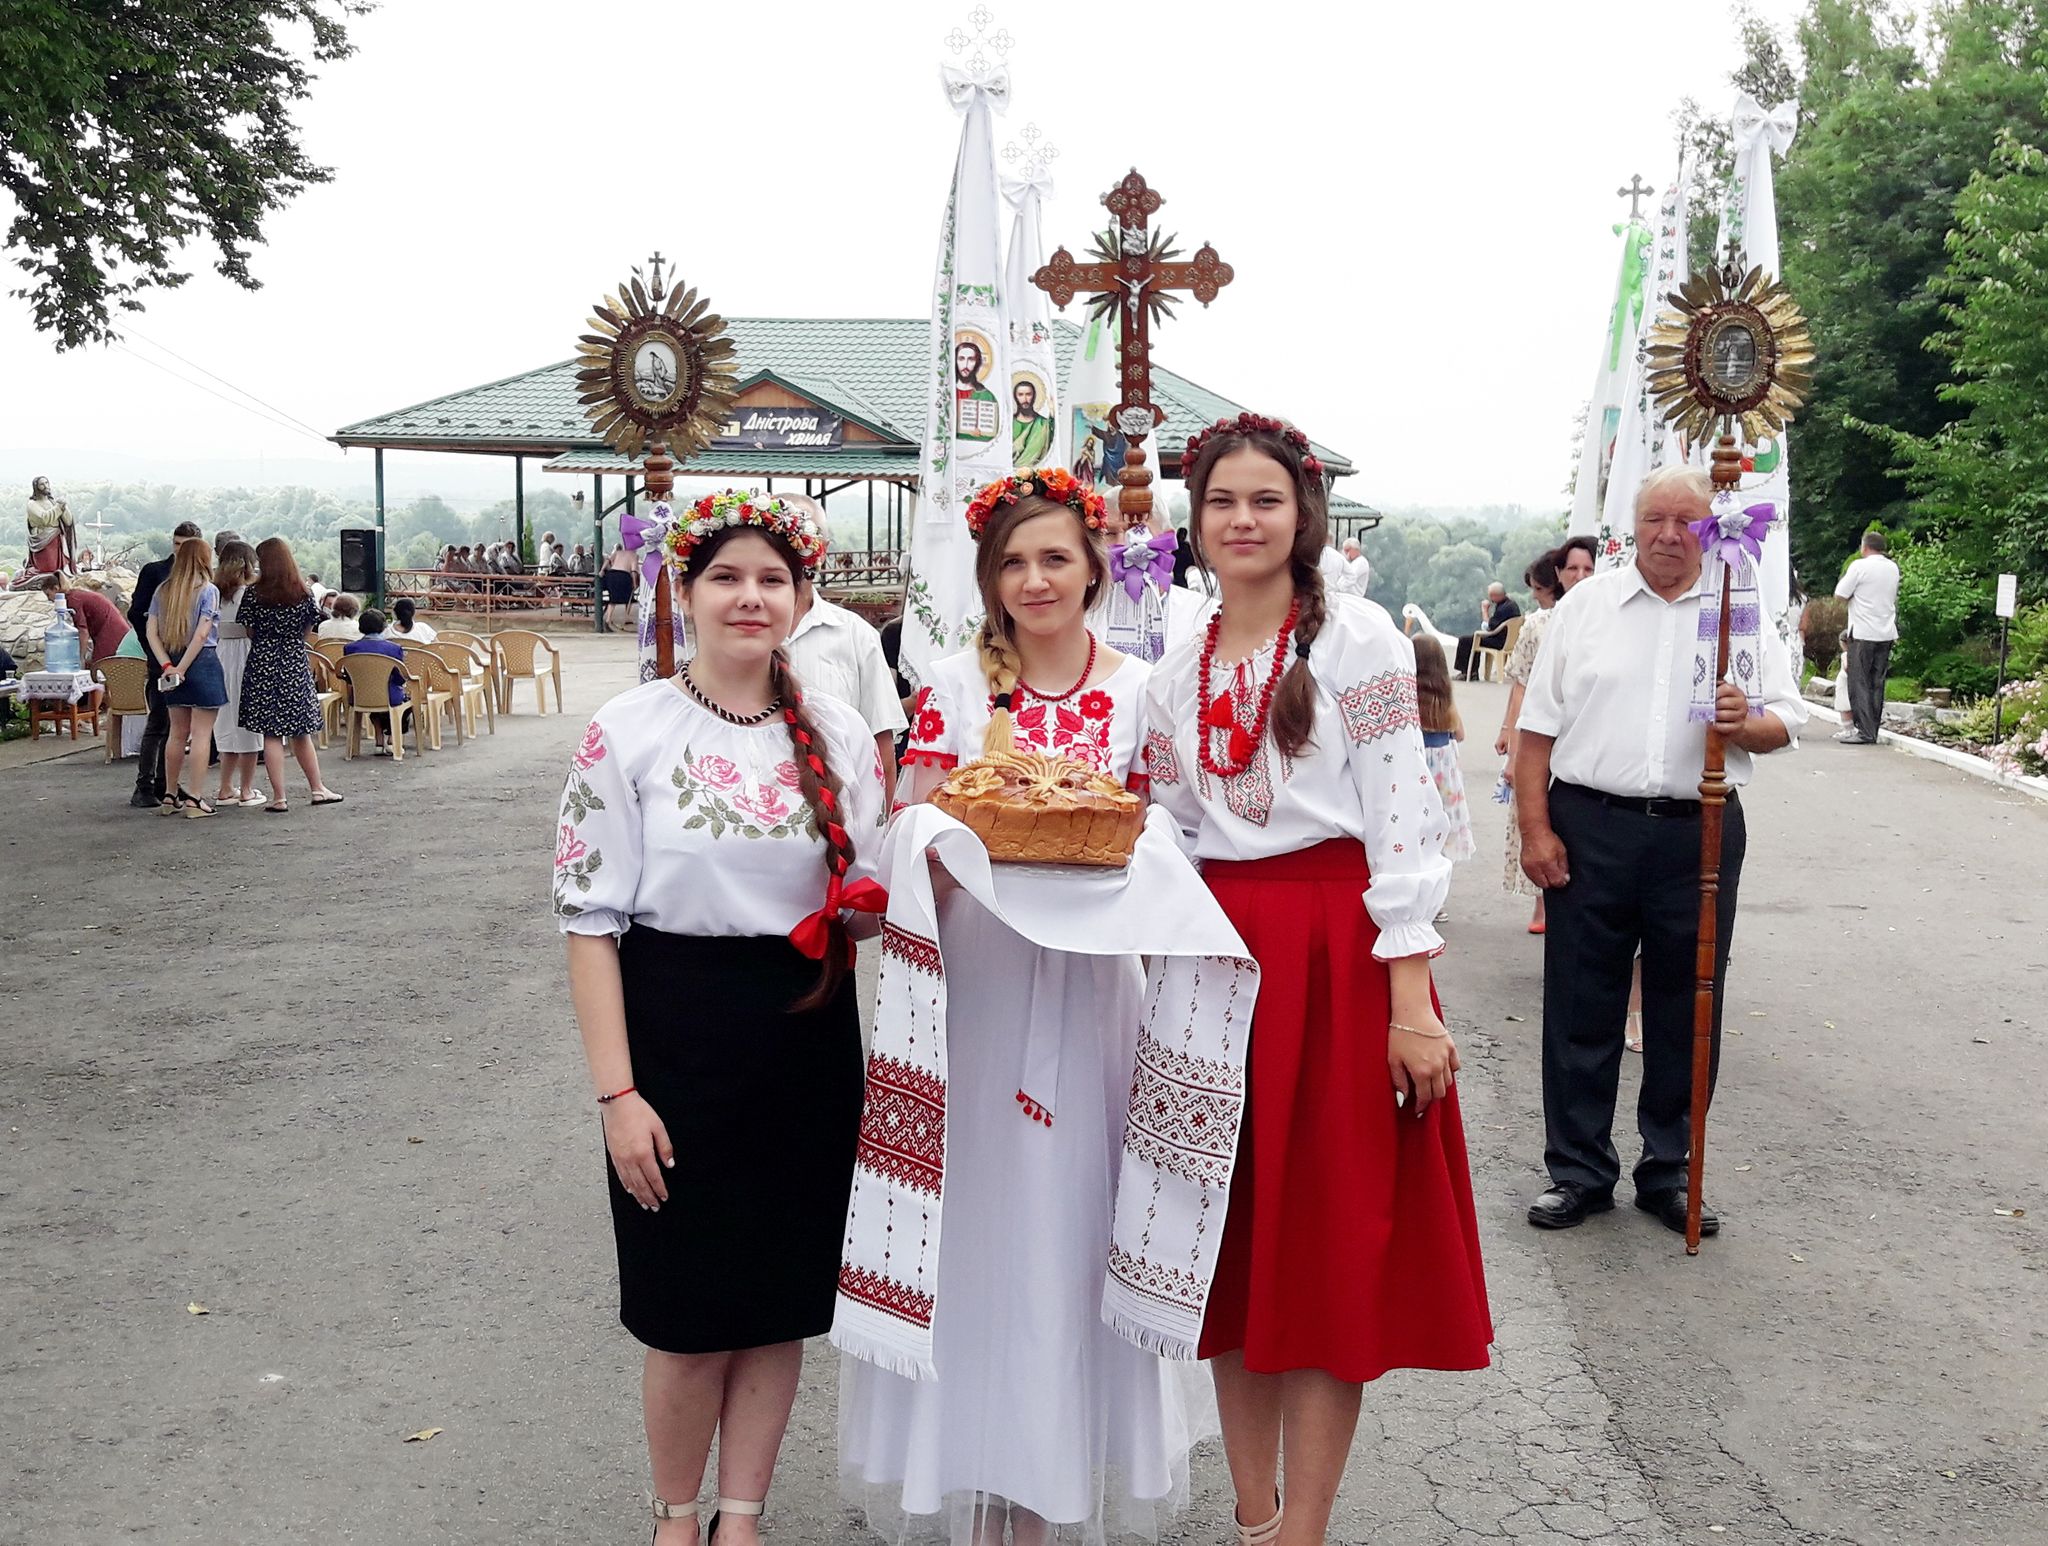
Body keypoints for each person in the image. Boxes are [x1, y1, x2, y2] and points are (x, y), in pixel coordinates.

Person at [841, 467, 1208, 1546]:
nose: (1035, 580)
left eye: (1055, 558)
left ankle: (1048, 1493)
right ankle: (973, 1481)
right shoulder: (956, 689)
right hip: (981, 989)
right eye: (1013, 562)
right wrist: (946, 847)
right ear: (988, 579)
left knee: (1069, 1227)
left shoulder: (1143, 693)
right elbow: (908, 837)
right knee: (981, 1227)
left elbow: (1176, 844)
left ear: (1095, 567)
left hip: (1095, 996)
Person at [1144, 414, 1490, 1546]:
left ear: (1303, 518)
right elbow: (1167, 830)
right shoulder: (1176, 664)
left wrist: (1409, 1001)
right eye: (1221, 501)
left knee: (1327, 1247)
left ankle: (1305, 1531)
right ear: (1194, 519)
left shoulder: (1358, 640)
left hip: (1337, 957)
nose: (1241, 520)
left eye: (1265, 500)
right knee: (1233, 1247)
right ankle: (1254, 1520)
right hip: (1215, 962)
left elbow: (1402, 820)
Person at [552, 490, 883, 1546]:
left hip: (806, 1036)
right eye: (727, 577)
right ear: (684, 591)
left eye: (772, 579)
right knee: (688, 1315)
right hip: (675, 1036)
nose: (751, 597)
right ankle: (675, 1517)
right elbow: (589, 925)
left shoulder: (837, 731)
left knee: (778, 1302)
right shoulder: (629, 730)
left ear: (801, 597)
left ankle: (741, 1517)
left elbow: (868, 900)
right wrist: (618, 1094)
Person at [1516, 465, 1807, 1236]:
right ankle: (1578, 1170)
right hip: (1591, 824)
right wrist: (1535, 831)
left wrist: (1745, 724)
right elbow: (1535, 731)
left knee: (1688, 1001)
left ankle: (1669, 1169)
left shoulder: (1736, 607)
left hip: (1698, 830)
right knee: (1582, 1001)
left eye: (1687, 521)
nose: (1671, 535)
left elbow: (1785, 721)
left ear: (1711, 529)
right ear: (1633, 527)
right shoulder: (1587, 607)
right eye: (1656, 519)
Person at [774, 499, 908, 806]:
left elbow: (882, 748)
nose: (794, 548)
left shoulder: (856, 635)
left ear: (824, 548)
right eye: (781, 536)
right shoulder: (743, 635)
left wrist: (883, 825)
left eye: (806, 536)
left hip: (840, 816)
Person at [238, 538, 343, 813]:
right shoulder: (303, 593)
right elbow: (308, 630)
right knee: (301, 732)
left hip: (262, 662)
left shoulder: (253, 594)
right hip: (294, 662)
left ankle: (279, 797)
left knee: (271, 734)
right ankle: (317, 789)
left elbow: (249, 630)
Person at [1495, 550, 1563, 935]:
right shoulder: (1543, 623)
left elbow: (1520, 687)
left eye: (1537, 588)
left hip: (1543, 730)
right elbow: (1521, 684)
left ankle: (1543, 903)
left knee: (1540, 807)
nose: (1535, 595)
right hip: (1557, 730)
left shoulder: (1539, 624)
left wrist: (1510, 734)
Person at [144, 536, 227, 817]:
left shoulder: (163, 590)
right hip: (202, 662)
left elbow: (151, 633)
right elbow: (202, 634)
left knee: (176, 732)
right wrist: (184, 667)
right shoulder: (208, 590)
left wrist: (168, 665)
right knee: (201, 733)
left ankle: (169, 794)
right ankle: (195, 798)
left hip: (171, 657)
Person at [126, 521, 205, 808]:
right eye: (176, 544)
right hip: (162, 657)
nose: (180, 551)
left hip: (191, 657)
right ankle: (144, 785)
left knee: (180, 724)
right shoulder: (156, 573)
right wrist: (153, 647)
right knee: (159, 720)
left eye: (185, 546)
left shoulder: (201, 577)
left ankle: (166, 783)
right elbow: (136, 613)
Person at [210, 541, 267, 806]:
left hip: (219, 653)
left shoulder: (214, 593)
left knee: (224, 722)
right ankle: (246, 789)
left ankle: (225, 787)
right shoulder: (251, 594)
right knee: (248, 723)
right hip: (246, 654)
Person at [1833, 530, 1899, 745]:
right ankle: (1873, 729)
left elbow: (1840, 594)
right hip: (1886, 631)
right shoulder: (1893, 568)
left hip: (1862, 632)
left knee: (1859, 682)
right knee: (1877, 682)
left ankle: (1864, 731)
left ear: (1865, 546)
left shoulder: (1859, 566)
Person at [1414, 635, 1474, 868]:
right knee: (1444, 819)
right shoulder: (1445, 694)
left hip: (1417, 762)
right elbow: (1460, 734)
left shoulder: (1408, 695)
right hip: (1443, 769)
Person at [342, 609, 410, 755]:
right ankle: (392, 739)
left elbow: (348, 675)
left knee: (375, 706)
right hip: (389, 695)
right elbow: (400, 677)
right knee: (406, 702)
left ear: (360, 627)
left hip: (360, 695)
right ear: (384, 627)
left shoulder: (349, 648)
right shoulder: (394, 648)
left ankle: (379, 741)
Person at [37, 575, 132, 668]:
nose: (48, 599)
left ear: (56, 589)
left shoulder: (72, 600)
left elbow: (82, 631)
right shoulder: (75, 595)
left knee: (101, 666)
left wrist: (80, 658)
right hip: (111, 627)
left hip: (111, 630)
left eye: (48, 594)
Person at [1454, 583, 1521, 679]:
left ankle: (1467, 672)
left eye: (1491, 596)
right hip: (1509, 640)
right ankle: (1472, 672)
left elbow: (1489, 627)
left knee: (1465, 640)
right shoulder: (1511, 604)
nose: (1490, 599)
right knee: (1473, 639)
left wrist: (1484, 610)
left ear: (1496, 596)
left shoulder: (1503, 609)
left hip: (1499, 641)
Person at [23, 476, 76, 581]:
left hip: (57, 538)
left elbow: (68, 521)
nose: (46, 486)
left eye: (47, 483)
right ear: (36, 487)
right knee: (48, 569)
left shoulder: (53, 502)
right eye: (42, 484)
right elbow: (44, 519)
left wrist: (64, 508)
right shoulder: (32, 504)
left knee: (59, 570)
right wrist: (58, 508)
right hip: (43, 540)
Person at [1010, 376, 1055, 465]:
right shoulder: (1009, 423)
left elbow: (1052, 439)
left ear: (1034, 396)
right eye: (1020, 395)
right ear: (1015, 397)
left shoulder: (1044, 424)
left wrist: (1053, 412)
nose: (1025, 399)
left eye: (1028, 394)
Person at [603, 543, 637, 630]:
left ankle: (608, 618)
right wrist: (634, 583)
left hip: (611, 574)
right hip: (623, 575)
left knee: (613, 598)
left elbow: (608, 560)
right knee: (629, 596)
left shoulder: (618, 552)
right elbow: (633, 571)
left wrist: (602, 570)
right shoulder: (634, 555)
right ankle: (626, 616)